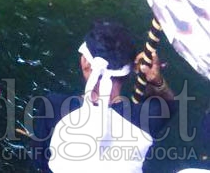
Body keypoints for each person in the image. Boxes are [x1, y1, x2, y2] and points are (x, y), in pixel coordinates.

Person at [29, 20, 177, 172]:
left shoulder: (53, 106)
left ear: (85, 63)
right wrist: (156, 80)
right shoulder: (149, 118)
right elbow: (169, 104)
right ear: (130, 71)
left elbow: (39, 159)